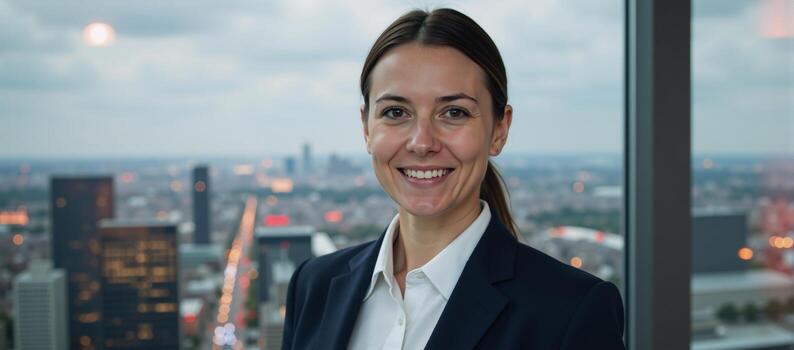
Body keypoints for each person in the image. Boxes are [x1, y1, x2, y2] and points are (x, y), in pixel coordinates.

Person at [282, 8, 625, 350]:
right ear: (366, 127)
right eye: (396, 112)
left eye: (454, 112)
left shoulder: (570, 312)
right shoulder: (315, 286)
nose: (422, 142)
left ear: (499, 130)